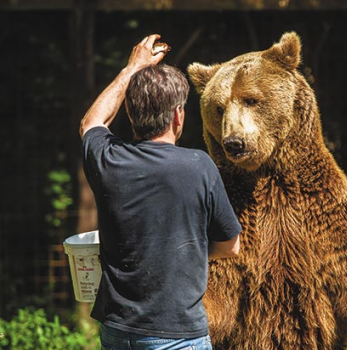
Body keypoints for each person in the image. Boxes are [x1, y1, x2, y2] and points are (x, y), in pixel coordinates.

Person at [79, 34, 241, 350]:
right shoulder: (199, 165)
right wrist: (186, 249)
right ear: (179, 116)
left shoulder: (108, 159)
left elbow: (91, 122)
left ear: (129, 114)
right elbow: (230, 246)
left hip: (119, 331)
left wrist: (132, 68)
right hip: (180, 335)